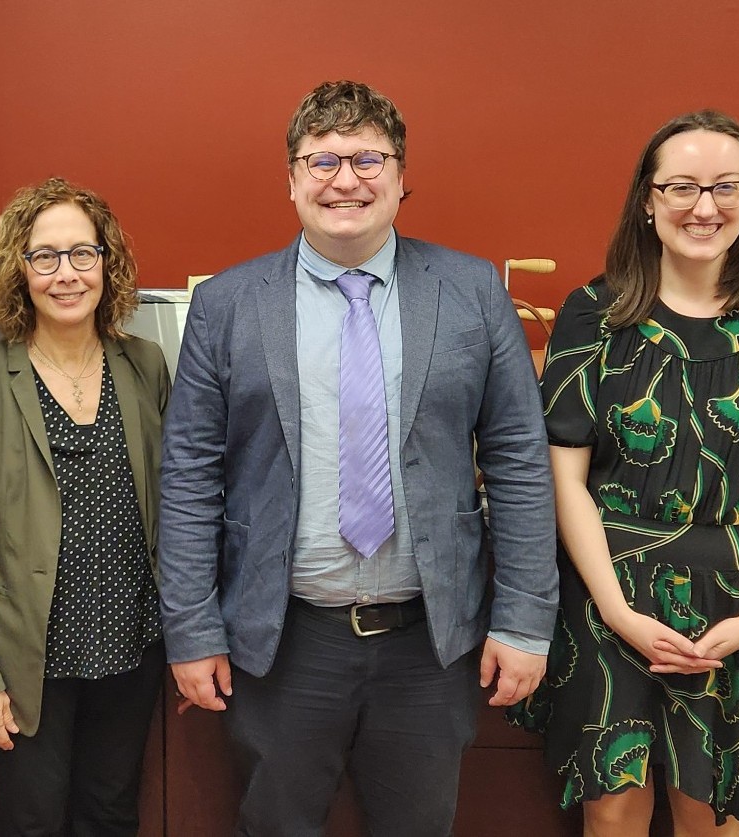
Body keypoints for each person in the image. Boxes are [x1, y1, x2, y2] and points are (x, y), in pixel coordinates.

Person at [156, 79, 557, 835]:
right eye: (324, 160)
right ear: (292, 180)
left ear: (404, 178)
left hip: (429, 645)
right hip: (282, 643)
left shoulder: (471, 292)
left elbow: (517, 460)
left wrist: (525, 619)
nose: (346, 180)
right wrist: (194, 628)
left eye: (369, 159)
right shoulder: (229, 304)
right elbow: (188, 476)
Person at [508, 111, 739, 836]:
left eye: (726, 187)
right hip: (608, 595)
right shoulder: (592, 315)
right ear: (647, 199)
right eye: (683, 186)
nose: (705, 206)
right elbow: (564, 480)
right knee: (615, 808)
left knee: (711, 810)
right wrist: (620, 612)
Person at [0, 178, 170, 836]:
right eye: (45, 256)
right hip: (27, 653)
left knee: (111, 812)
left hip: (132, 642)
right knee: (32, 820)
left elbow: (173, 505)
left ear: (107, 262)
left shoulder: (146, 364)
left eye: (82, 254)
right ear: (21, 268)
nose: (65, 273)